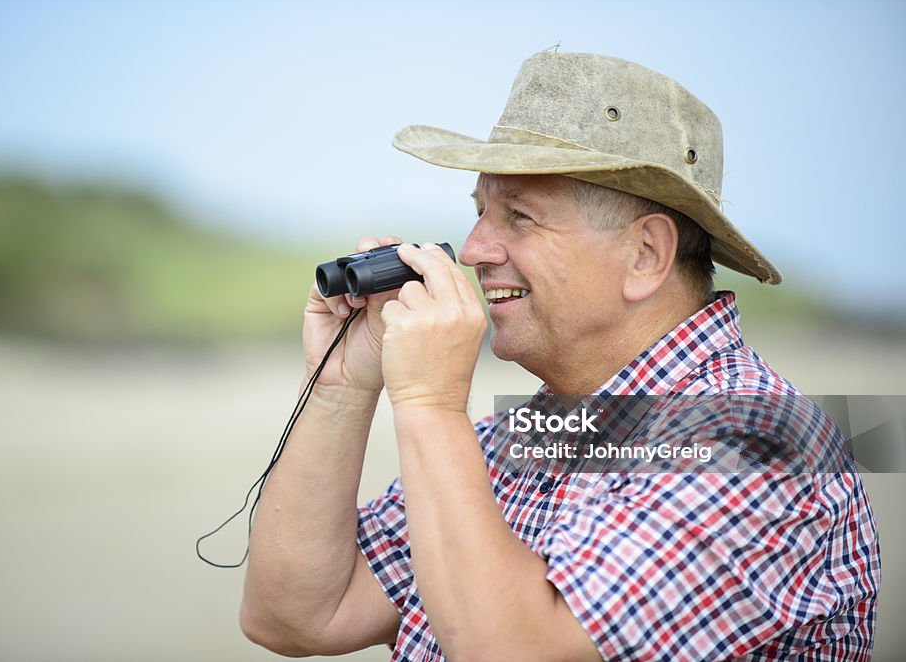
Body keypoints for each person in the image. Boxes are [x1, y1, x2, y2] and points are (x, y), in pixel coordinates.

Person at [239, 51, 880, 660]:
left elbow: (514, 650)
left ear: (645, 256)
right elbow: (297, 616)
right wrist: (342, 388)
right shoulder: (528, 435)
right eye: (480, 211)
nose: (473, 250)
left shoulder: (759, 442)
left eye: (520, 216)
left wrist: (430, 404)